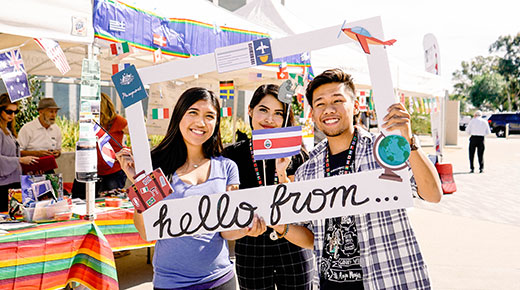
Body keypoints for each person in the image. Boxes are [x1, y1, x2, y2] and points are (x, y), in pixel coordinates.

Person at [272, 69, 442, 289]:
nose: (329, 109)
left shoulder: (384, 150)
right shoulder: (307, 170)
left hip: (388, 279)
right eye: (320, 104)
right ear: (312, 114)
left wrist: (408, 141)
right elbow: (314, 238)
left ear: (356, 107)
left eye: (338, 100)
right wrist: (279, 226)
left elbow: (433, 194)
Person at [117, 87, 266, 290]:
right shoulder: (157, 167)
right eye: (193, 112)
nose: (201, 122)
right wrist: (139, 183)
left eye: (209, 116)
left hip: (221, 280)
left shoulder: (226, 167)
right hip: (172, 284)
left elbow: (226, 231)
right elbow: (146, 232)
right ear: (179, 115)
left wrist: (247, 229)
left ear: (216, 123)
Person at [223, 84, 314, 290]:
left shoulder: (297, 154)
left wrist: (282, 174)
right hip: (250, 244)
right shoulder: (232, 156)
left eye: (278, 113)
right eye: (263, 110)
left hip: (293, 242)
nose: (269, 119)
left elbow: (304, 206)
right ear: (250, 110)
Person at [0, 93, 39, 212]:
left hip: (12, 182)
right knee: (5, 220)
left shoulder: (7, 130)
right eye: (9, 112)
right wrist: (20, 160)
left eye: (15, 112)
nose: (12, 115)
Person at [72, 93, 129, 198]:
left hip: (113, 172)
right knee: (80, 199)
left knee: (109, 203)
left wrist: (127, 151)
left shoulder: (117, 121)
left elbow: (136, 134)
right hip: (91, 170)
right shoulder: (91, 122)